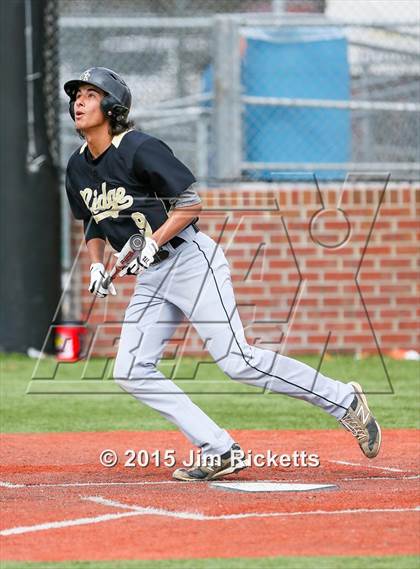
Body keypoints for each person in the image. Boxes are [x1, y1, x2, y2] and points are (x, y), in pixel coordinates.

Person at [64, 67, 382, 482]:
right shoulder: (77, 167)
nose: (79, 102)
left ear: (112, 105)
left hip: (190, 260)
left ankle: (344, 400)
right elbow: (92, 220)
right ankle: (218, 449)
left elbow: (190, 204)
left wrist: (155, 242)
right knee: (131, 370)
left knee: (237, 361)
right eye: (77, 96)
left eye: (90, 94)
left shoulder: (138, 148)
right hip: (152, 275)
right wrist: (95, 265)